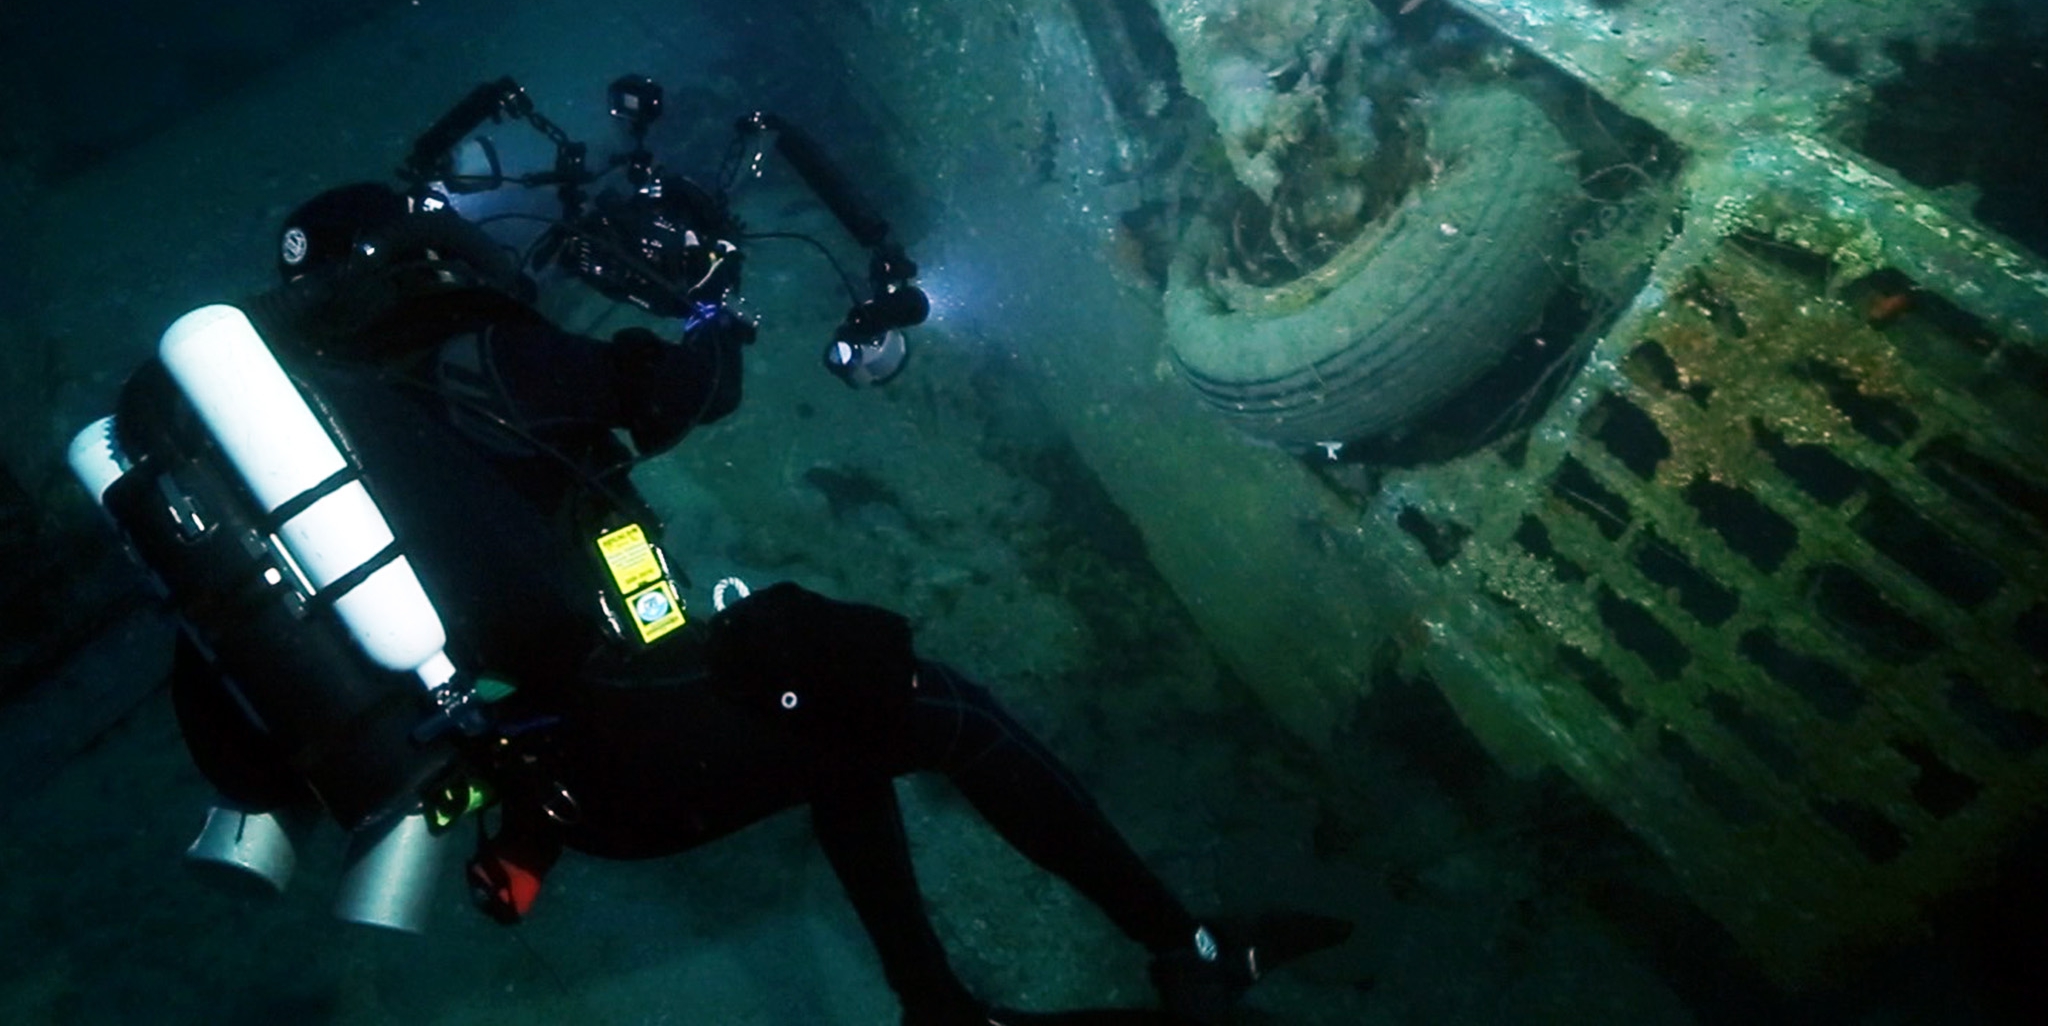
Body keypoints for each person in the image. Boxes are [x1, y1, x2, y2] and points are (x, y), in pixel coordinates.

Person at [79, 84, 1348, 1025]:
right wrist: (710, 316)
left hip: (540, 773)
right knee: (910, 694)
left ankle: (933, 1006)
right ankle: (1187, 953)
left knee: (821, 710)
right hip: (619, 742)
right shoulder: (471, 350)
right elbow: (670, 393)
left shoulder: (332, 427)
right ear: (420, 258)